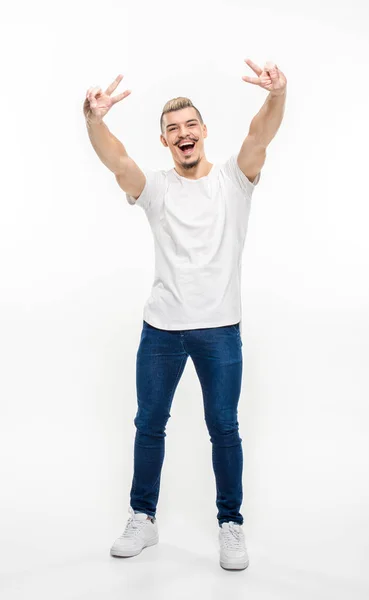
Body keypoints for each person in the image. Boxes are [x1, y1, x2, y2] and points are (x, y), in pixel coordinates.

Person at [83, 60, 287, 570]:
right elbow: (118, 162)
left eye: (190, 125)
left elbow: (259, 136)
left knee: (224, 428)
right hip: (161, 331)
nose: (183, 133)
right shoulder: (155, 189)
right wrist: (93, 121)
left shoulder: (234, 181)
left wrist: (277, 95)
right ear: (165, 142)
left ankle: (230, 524)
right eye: (172, 129)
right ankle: (143, 518)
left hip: (219, 329)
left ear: (203, 132)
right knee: (149, 424)